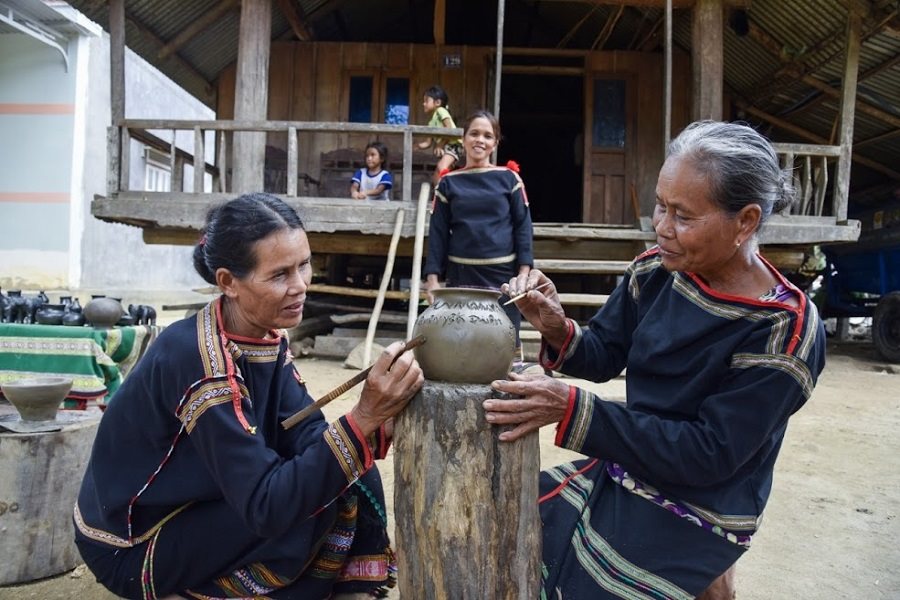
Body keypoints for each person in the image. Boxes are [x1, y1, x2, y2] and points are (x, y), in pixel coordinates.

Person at [484, 121, 826, 599]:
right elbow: (605, 351)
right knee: (506, 524)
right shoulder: (656, 270)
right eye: (661, 206)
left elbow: (710, 454)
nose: (662, 227)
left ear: (746, 221)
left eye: (683, 216)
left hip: (704, 503)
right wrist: (557, 327)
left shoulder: (784, 329)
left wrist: (570, 408)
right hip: (630, 466)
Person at [73, 193, 424, 600]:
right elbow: (266, 505)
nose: (301, 286)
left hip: (210, 499)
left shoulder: (264, 334)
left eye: (304, 265)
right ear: (228, 282)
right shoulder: (199, 360)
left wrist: (375, 422)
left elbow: (306, 432)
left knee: (347, 464)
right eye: (279, 275)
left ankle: (353, 589)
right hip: (136, 542)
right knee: (314, 494)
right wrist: (363, 418)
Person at [423, 109, 534, 359]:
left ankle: (506, 394)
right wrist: (432, 279)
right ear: (463, 139)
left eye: (487, 135)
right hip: (461, 275)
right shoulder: (448, 183)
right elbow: (438, 233)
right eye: (474, 134)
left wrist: (524, 272)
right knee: (462, 345)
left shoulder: (509, 179)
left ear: (495, 142)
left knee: (504, 345)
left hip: (503, 277)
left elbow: (523, 226)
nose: (479, 140)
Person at [417, 85, 463, 185]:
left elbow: (449, 129)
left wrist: (440, 144)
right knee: (436, 176)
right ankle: (438, 195)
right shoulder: (430, 123)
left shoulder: (441, 111)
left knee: (441, 167)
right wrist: (417, 146)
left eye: (426, 101)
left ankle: (451, 191)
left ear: (437, 102)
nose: (423, 103)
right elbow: (427, 143)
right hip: (446, 147)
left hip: (453, 145)